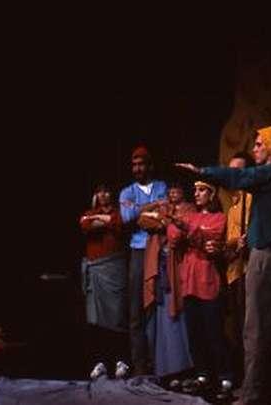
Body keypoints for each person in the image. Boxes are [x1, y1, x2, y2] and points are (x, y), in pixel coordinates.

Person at [176, 125, 271, 405]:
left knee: (254, 329)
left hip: (265, 259)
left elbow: (239, 175)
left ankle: (250, 396)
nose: (255, 148)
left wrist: (203, 171)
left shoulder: (270, 173)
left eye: (260, 144)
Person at [167, 181, 232, 396]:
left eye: (202, 190)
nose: (196, 194)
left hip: (208, 280)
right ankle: (202, 374)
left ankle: (224, 376)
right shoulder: (191, 217)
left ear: (212, 194)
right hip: (190, 282)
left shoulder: (219, 218)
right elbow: (174, 239)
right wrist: (175, 221)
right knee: (195, 334)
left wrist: (187, 228)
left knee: (214, 333)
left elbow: (210, 239)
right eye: (195, 190)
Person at [137, 182, 195, 378]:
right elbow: (142, 220)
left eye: (176, 191)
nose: (172, 195)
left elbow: (180, 233)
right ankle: (166, 367)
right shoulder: (164, 207)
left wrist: (164, 222)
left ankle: (183, 366)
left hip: (179, 265)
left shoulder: (189, 208)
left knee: (179, 311)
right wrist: (163, 219)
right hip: (162, 267)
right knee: (162, 314)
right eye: (170, 192)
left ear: (182, 192)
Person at [119, 146, 168, 375]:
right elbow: (128, 217)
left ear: (149, 165)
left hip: (160, 250)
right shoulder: (126, 192)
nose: (137, 168)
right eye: (134, 164)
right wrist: (151, 208)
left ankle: (159, 363)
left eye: (141, 164)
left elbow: (164, 217)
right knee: (137, 310)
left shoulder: (161, 187)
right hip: (138, 251)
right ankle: (140, 366)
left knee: (157, 307)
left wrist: (144, 214)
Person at [79, 184, 127, 378]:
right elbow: (85, 225)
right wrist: (104, 220)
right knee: (96, 319)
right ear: (95, 194)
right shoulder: (89, 213)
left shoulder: (119, 213)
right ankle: (100, 362)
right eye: (99, 191)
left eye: (107, 191)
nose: (103, 195)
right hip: (96, 270)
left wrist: (102, 220)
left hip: (115, 269)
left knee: (117, 317)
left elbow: (121, 224)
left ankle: (120, 360)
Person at [223, 151, 254, 383]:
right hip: (234, 273)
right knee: (236, 329)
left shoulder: (252, 198)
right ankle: (244, 379)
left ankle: (255, 382)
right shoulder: (233, 206)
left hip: (250, 270)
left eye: (239, 170)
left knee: (250, 329)